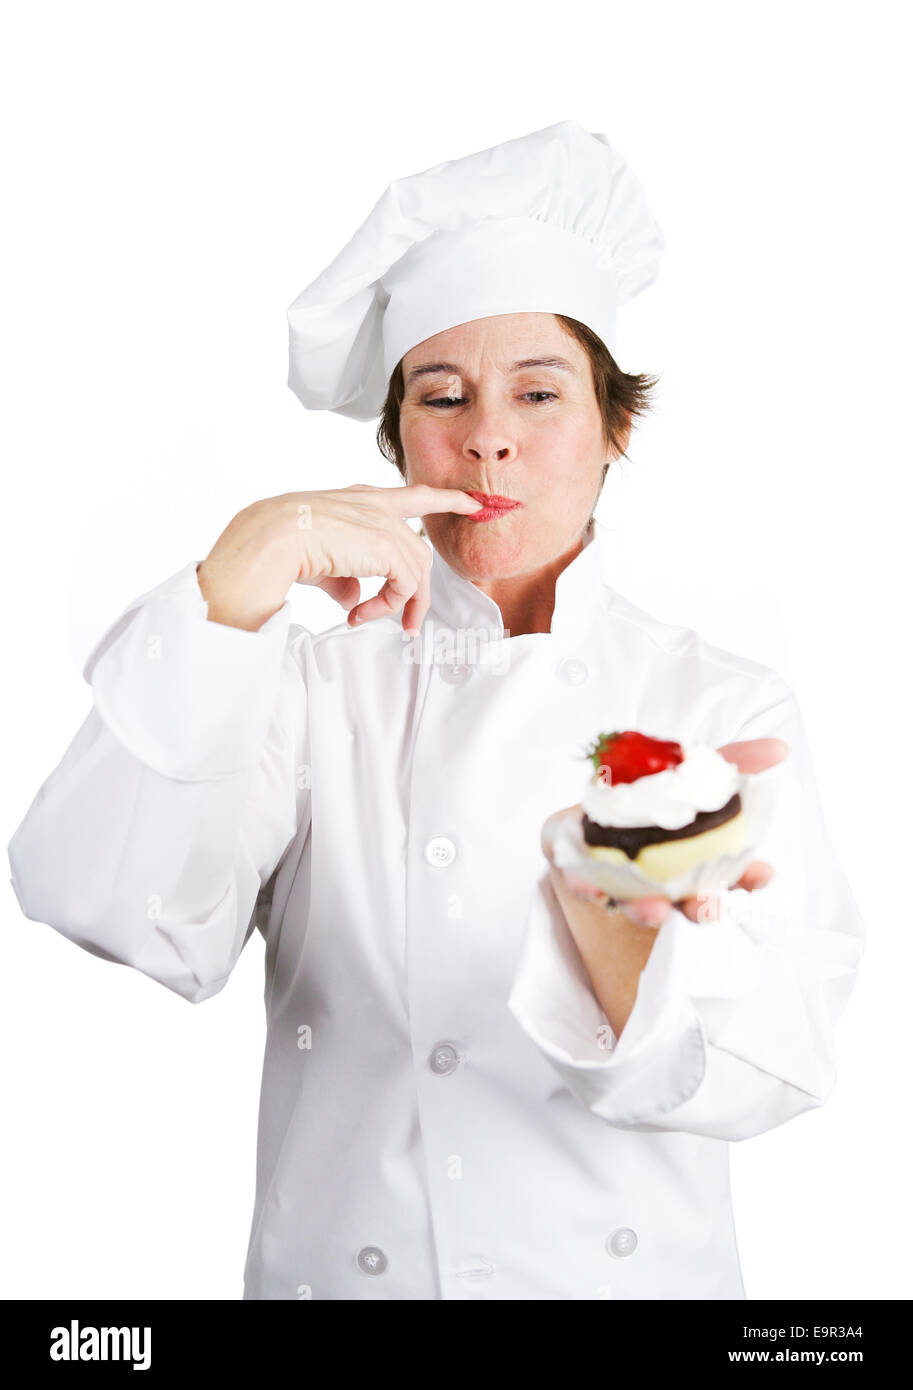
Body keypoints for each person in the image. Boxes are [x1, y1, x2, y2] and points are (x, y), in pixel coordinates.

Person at [7, 121, 865, 1300]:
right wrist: (237, 577)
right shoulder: (310, 692)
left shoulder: (712, 703)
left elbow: (784, 1052)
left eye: (539, 391)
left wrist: (623, 971)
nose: (487, 435)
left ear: (615, 425)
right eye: (441, 395)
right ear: (398, 437)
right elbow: (108, 903)